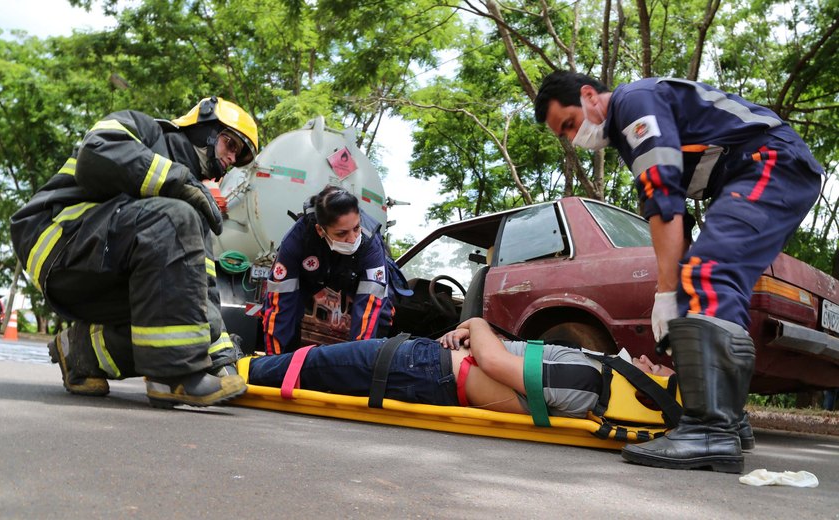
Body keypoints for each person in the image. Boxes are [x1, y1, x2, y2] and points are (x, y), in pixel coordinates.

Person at [534, 71, 823, 473]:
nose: (572, 137)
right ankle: (727, 418)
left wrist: (667, 294)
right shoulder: (629, 131)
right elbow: (674, 222)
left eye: (569, 123)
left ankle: (709, 430)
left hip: (770, 162)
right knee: (708, 282)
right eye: (564, 134)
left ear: (588, 95)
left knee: (707, 275)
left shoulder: (634, 103)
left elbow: (663, 196)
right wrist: (673, 293)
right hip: (761, 170)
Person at [11, 96, 259, 408]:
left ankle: (80, 352)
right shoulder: (146, 130)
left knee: (174, 320)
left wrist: (221, 357)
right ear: (205, 126)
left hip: (102, 268)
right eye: (230, 144)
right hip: (57, 240)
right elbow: (96, 153)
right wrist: (176, 181)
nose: (230, 159)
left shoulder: (191, 202)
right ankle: (174, 378)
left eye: (238, 157)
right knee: (174, 216)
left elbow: (199, 290)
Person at [249, 317, 675, 418]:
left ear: (653, 391)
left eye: (663, 371)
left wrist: (476, 324)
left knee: (310, 364)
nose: (654, 361)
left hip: (421, 370)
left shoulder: (589, 381)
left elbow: (495, 363)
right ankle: (240, 365)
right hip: (428, 366)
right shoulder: (596, 375)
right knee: (311, 365)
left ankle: (232, 371)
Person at [262, 185, 397, 354]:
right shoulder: (297, 240)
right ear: (320, 230)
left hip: (355, 278)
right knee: (288, 314)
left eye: (356, 228)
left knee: (381, 317)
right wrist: (273, 360)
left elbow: (369, 312)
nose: (352, 239)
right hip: (311, 276)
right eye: (342, 234)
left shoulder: (370, 244)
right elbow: (279, 306)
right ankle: (285, 362)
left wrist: (358, 360)